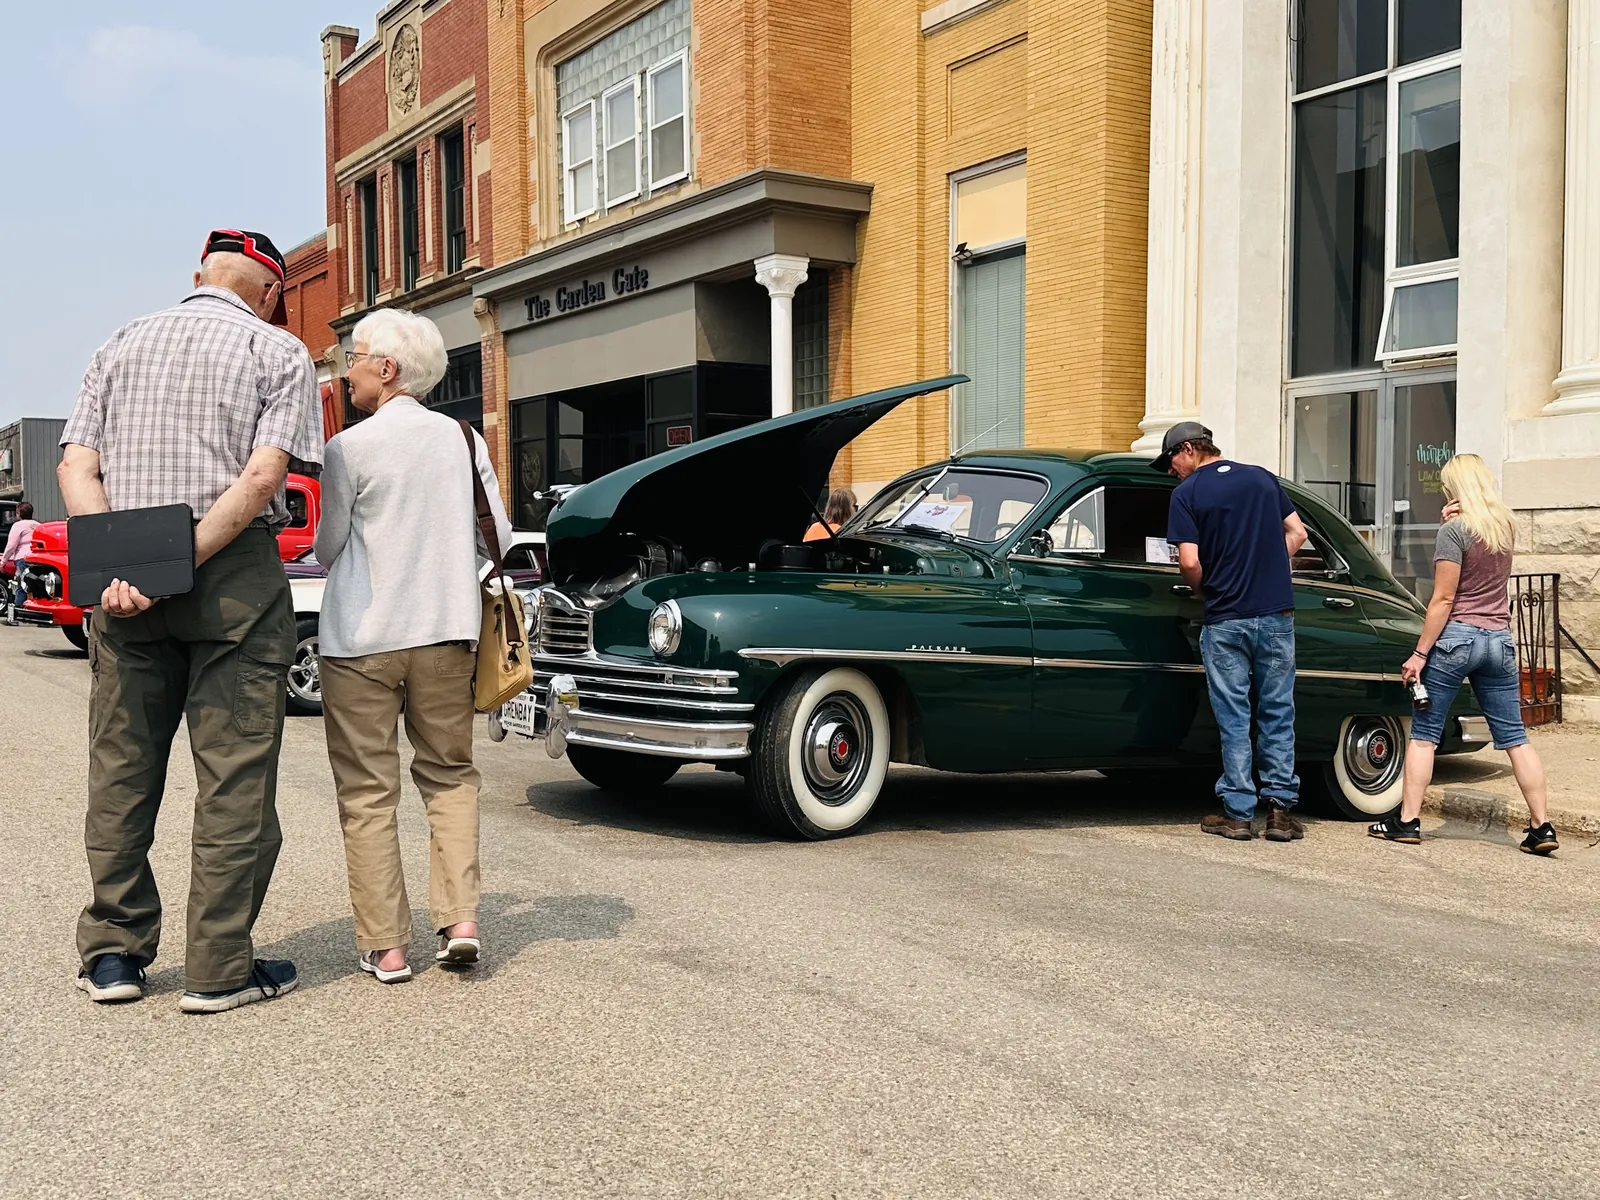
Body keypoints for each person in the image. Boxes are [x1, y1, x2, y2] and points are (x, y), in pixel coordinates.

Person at [59, 230, 323, 1012]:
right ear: (272, 293)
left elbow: (78, 464)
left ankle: (113, 956)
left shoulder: (119, 342)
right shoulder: (278, 353)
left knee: (122, 773)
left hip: (121, 580)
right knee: (234, 778)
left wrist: (120, 565)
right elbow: (263, 475)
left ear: (197, 277)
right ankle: (218, 969)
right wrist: (178, 560)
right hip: (231, 577)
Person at [315, 308, 512, 984]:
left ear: (388, 369)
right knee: (450, 776)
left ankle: (388, 948)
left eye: (357, 357)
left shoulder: (350, 448)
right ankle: (460, 922)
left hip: (362, 641)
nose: (347, 372)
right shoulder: (463, 439)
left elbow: (327, 544)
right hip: (446, 633)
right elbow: (502, 541)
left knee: (369, 793)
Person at [1368, 454, 1559, 853]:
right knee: (1515, 739)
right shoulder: (1504, 527)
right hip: (1499, 641)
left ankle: (1407, 821)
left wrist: (1420, 653)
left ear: (1454, 489)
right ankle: (1542, 828)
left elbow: (1443, 598)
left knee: (1424, 736)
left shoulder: (1454, 530)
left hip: (1457, 639)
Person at [1155, 421, 1310, 842]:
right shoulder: (1261, 478)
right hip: (1276, 615)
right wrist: (1266, 566)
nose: (1172, 471)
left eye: (1171, 460)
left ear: (1188, 449)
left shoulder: (1186, 495)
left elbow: (1188, 562)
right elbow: (1298, 532)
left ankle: (1239, 814)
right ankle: (1280, 814)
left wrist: (1209, 587)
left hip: (1225, 617)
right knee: (1278, 711)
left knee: (1234, 716)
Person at [2, 501, 39, 624]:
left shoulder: (17, 526)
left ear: (19, 514)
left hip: (22, 558)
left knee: (21, 585)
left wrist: (3, 561)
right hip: (37, 559)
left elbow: (11, 546)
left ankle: (17, 615)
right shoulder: (38, 525)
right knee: (37, 586)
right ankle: (39, 615)